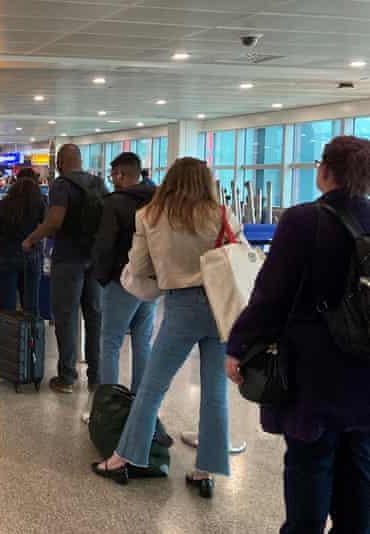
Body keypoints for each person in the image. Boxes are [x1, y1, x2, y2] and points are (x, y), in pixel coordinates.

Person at [227, 136, 370, 530]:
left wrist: (238, 345)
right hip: (365, 370)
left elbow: (272, 294)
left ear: (324, 170)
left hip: (314, 368)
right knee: (359, 464)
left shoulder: (303, 220)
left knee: (309, 462)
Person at [92, 157, 242, 498]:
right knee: (215, 392)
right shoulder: (222, 214)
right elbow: (236, 256)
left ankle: (125, 456)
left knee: (152, 387)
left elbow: (139, 266)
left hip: (181, 306)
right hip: (221, 307)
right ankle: (207, 470)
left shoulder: (151, 216)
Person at [23, 144, 108, 394]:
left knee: (66, 317)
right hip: (94, 259)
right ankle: (96, 378)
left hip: (69, 260)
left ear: (59, 162)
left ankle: (67, 377)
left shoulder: (61, 185)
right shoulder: (98, 183)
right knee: (94, 317)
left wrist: (30, 239)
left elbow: (54, 221)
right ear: (80, 160)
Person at [92, 152, 157, 394]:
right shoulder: (157, 201)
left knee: (110, 342)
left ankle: (108, 403)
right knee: (143, 342)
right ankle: (139, 400)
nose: (112, 180)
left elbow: (105, 245)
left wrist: (103, 277)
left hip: (122, 281)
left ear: (121, 174)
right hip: (151, 282)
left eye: (113, 175)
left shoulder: (114, 202)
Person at [0, 178, 45, 313]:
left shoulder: (4, 204)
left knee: (7, 304)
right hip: (31, 254)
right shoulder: (39, 203)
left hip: (7, 253)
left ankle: (9, 331)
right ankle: (31, 332)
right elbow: (45, 226)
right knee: (31, 303)